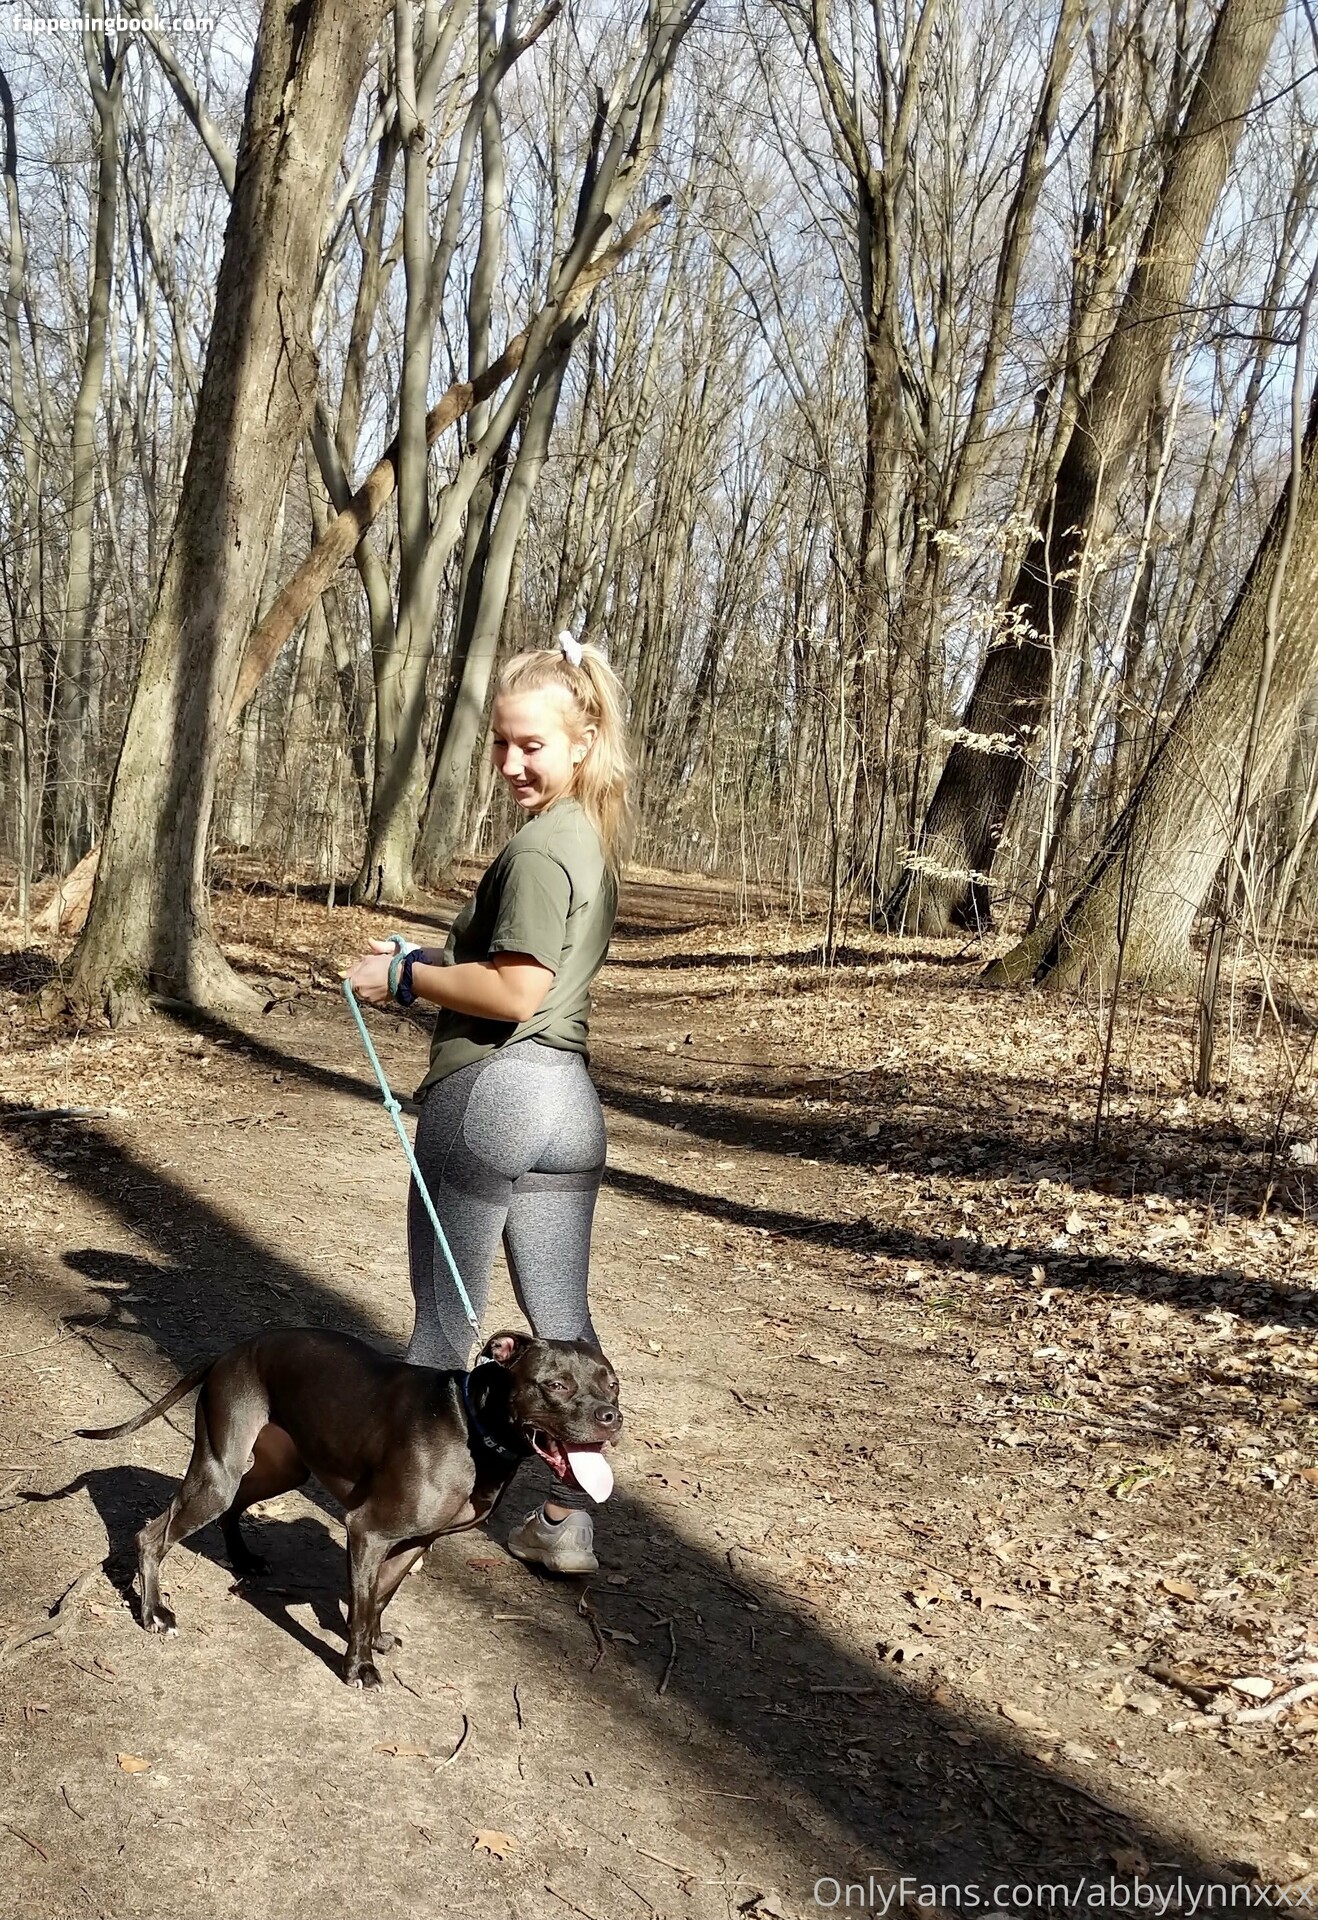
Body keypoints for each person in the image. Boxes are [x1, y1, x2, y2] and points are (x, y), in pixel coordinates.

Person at [345, 632, 629, 1575]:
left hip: (492, 1098)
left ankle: (404, 1521)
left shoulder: (541, 849)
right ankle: (566, 1519)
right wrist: (430, 957)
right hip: (568, 1104)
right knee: (565, 1327)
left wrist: (404, 976)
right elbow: (523, 968)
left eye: (530, 745)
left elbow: (514, 990)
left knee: (442, 1328)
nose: (510, 762)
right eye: (500, 742)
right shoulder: (587, 838)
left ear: (583, 741)